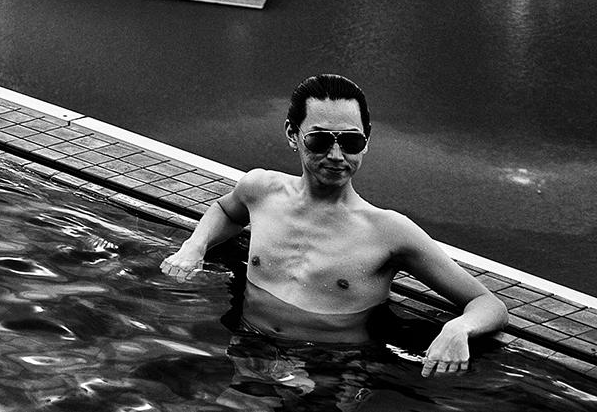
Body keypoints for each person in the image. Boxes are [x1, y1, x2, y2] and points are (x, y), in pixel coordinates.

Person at [162, 73, 507, 376]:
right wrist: (195, 246)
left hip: (333, 370)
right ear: (293, 134)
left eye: (351, 142)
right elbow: (225, 211)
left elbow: (488, 304)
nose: (337, 156)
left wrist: (459, 328)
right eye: (320, 140)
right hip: (249, 347)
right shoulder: (261, 190)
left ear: (367, 141)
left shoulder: (388, 232)